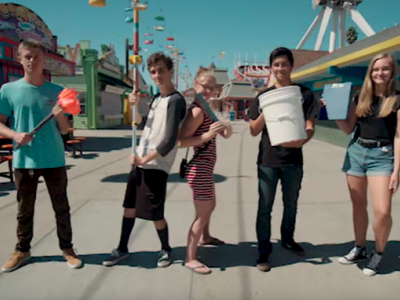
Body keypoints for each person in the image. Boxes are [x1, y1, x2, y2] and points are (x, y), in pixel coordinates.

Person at [0, 39, 82, 272]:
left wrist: (59, 114)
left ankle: (67, 249)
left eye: (36, 56)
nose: (31, 61)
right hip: (24, 160)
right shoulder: (8, 90)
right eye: (27, 56)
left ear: (43, 60)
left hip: (54, 159)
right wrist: (15, 135)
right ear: (19, 58)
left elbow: (65, 130)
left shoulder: (57, 92)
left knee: (62, 208)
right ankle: (22, 250)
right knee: (24, 210)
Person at [102, 52, 186, 268]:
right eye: (153, 72)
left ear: (170, 72)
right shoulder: (157, 99)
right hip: (140, 162)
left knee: (155, 213)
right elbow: (143, 125)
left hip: (156, 165)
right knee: (129, 207)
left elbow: (169, 141)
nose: (156, 75)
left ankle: (166, 249)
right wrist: (134, 107)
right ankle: (122, 248)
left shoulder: (176, 101)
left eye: (160, 71)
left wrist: (144, 159)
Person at [322, 53, 400, 276]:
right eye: (376, 69)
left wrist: (396, 171)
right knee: (358, 206)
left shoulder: (396, 99)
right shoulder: (360, 97)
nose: (380, 73)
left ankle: (378, 252)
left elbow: (398, 136)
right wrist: (333, 111)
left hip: (382, 156)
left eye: (385, 69)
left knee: (382, 211)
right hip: (356, 152)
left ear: (392, 72)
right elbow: (348, 129)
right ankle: (359, 248)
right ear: (370, 72)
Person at [248, 47, 319, 272]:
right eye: (276, 64)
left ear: (291, 66)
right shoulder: (262, 96)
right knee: (264, 207)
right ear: (271, 68)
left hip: (293, 160)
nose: (280, 68)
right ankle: (263, 250)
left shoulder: (304, 94)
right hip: (268, 160)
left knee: (291, 204)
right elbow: (253, 129)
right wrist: (267, 107)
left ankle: (287, 239)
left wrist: (302, 141)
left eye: (284, 64)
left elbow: (310, 127)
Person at [177, 68, 232, 275]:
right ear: (195, 85)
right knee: (202, 214)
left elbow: (226, 135)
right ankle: (190, 258)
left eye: (212, 87)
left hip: (206, 169)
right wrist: (208, 135)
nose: (208, 91)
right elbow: (181, 142)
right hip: (199, 170)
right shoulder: (197, 111)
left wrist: (225, 124)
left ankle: (206, 237)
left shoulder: (208, 109)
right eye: (204, 87)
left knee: (210, 206)